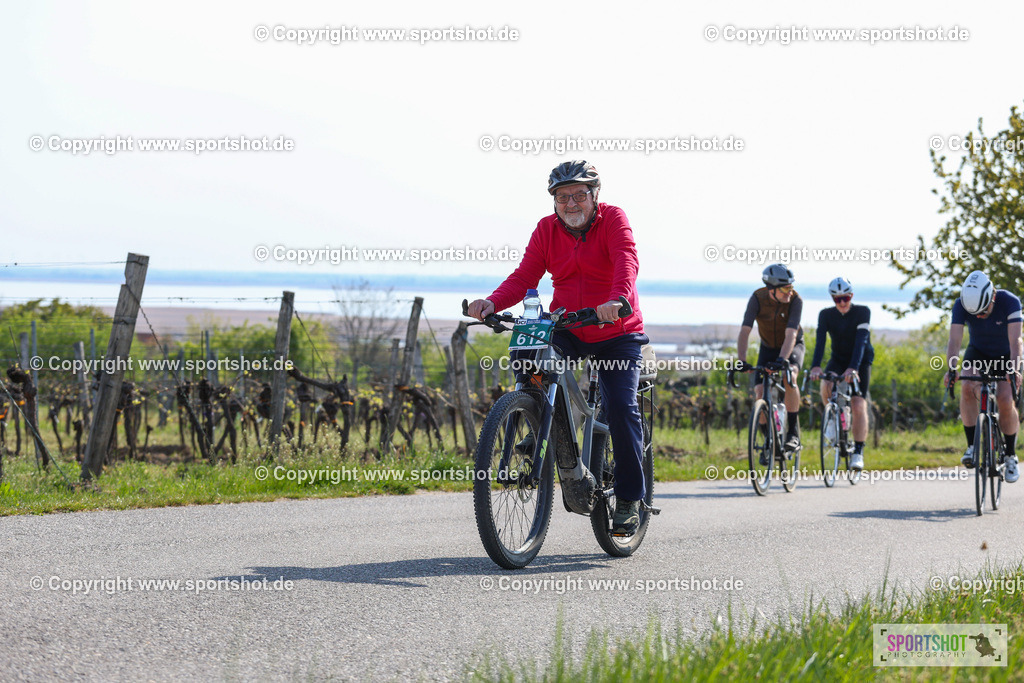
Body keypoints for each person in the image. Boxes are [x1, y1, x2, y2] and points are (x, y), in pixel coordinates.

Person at [467, 160, 648, 536]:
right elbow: (524, 276)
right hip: (569, 324)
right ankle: (537, 415)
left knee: (620, 406)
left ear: (595, 195)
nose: (571, 203)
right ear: (553, 201)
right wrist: (492, 302)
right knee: (528, 350)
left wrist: (617, 300)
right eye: (562, 197)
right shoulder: (546, 229)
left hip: (615, 329)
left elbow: (626, 261)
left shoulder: (613, 219)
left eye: (579, 195)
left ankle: (629, 499)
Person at [944, 270, 1022, 483]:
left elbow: (1016, 341)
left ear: (992, 296)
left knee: (1005, 399)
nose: (978, 317)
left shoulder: (1010, 302)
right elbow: (955, 340)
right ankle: (971, 446)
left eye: (982, 312)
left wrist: (1014, 369)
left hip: (1006, 355)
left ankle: (1010, 455)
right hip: (978, 352)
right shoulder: (960, 304)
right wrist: (951, 369)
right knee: (966, 385)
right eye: (975, 314)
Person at [736, 264, 804, 461]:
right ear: (771, 289)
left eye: (791, 286)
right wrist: (742, 360)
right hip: (768, 347)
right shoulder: (757, 298)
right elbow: (745, 331)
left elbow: (791, 335)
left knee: (790, 376)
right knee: (759, 391)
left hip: (792, 346)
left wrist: (782, 360)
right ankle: (769, 440)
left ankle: (793, 433)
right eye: (785, 288)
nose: (790, 291)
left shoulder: (796, 300)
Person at [809, 277, 874, 471]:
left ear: (851, 296)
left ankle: (858, 451)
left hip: (860, 361)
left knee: (857, 404)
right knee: (827, 384)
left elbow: (861, 342)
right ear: (832, 299)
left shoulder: (863, 312)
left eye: (846, 298)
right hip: (838, 359)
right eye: (837, 299)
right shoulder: (825, 315)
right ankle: (832, 419)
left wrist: (853, 368)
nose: (842, 302)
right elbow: (820, 342)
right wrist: (815, 366)